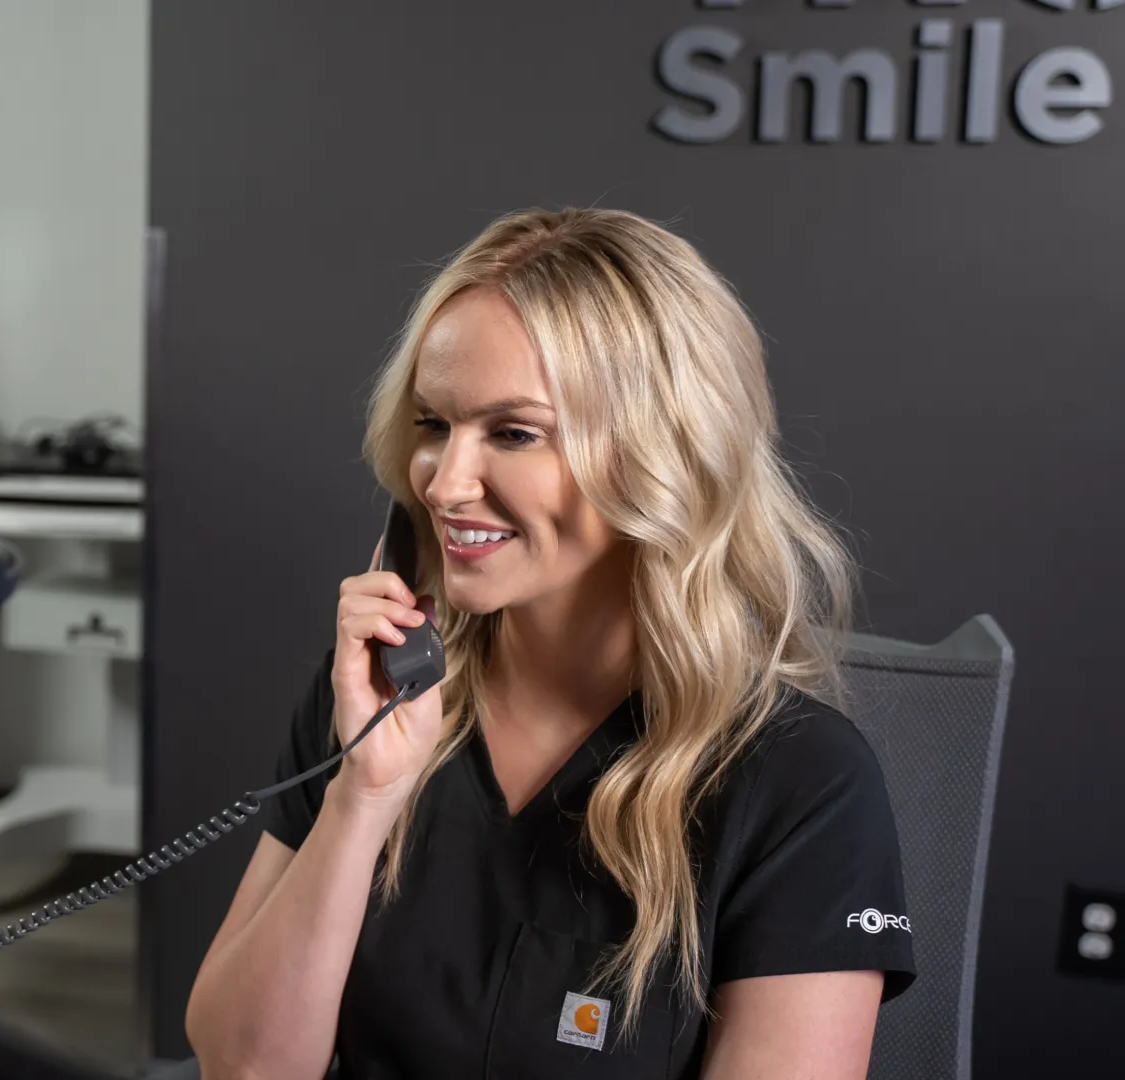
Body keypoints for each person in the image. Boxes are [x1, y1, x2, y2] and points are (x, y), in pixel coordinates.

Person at [184, 208, 915, 1078]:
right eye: (432, 425)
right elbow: (245, 1069)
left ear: (661, 454)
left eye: (514, 432)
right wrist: (362, 795)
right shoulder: (380, 702)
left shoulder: (797, 784)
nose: (446, 483)